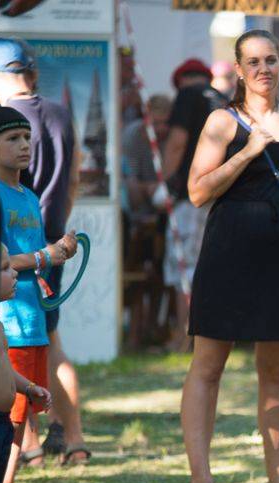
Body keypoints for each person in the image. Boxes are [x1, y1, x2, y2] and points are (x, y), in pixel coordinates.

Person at [182, 29, 279, 483]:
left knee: (277, 372)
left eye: (271, 60)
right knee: (208, 368)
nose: (264, 69)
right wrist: (246, 153)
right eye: (253, 62)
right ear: (237, 70)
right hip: (228, 257)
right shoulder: (223, 120)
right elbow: (198, 192)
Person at [0, 37, 89, 467]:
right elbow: (73, 178)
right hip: (45, 249)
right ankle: (71, 440)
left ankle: (29, 450)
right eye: (13, 139)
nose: (22, 145)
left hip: (32, 255)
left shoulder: (8, 128)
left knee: (27, 351)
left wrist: (44, 253)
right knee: (45, 345)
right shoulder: (60, 112)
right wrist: (53, 244)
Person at [0, 106, 72, 483]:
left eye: (27, 138)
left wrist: (58, 251)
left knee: (22, 415)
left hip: (33, 319)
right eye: (12, 139)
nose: (24, 146)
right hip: (6, 323)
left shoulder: (28, 197)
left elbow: (35, 256)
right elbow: (2, 259)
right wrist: (45, 255)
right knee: (5, 412)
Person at [161, 58, 228, 353]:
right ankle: (212, 334)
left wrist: (164, 182)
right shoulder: (224, 100)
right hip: (222, 196)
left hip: (191, 195)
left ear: (182, 81)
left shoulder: (188, 96)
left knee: (183, 266)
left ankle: (183, 337)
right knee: (211, 266)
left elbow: (177, 142)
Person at [0, 244, 52, 483]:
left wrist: (28, 387)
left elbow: (5, 369)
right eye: (5, 269)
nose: (14, 273)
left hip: (2, 423)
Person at [121, 94, 171, 350]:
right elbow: (131, 187)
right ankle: (135, 333)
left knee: (159, 274)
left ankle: (154, 328)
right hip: (135, 220)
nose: (161, 129)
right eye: (157, 123)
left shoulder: (171, 139)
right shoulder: (132, 137)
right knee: (138, 273)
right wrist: (148, 189)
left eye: (166, 123)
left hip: (160, 220)